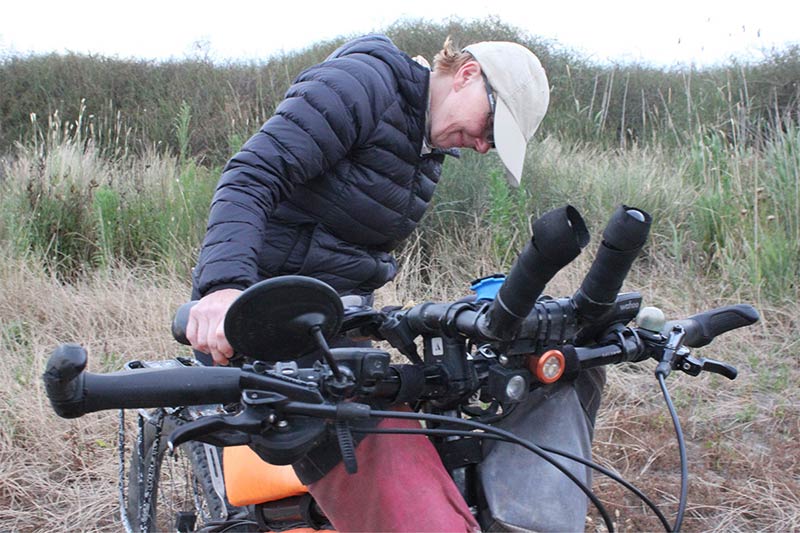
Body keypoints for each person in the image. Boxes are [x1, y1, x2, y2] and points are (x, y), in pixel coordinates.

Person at [186, 34, 603, 532]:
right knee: (420, 515)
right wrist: (224, 289)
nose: (483, 144)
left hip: (337, 328)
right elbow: (250, 176)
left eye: (494, 142)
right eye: (491, 126)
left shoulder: (424, 147)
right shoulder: (364, 85)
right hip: (264, 323)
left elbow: (347, 251)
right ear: (467, 74)